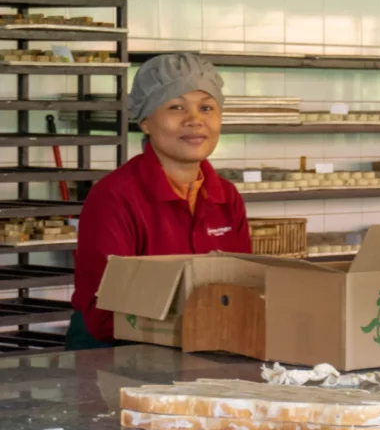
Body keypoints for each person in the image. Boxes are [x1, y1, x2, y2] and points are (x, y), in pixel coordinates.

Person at [67, 52, 251, 349]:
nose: (195, 120)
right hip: (116, 351)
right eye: (176, 107)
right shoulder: (115, 197)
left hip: (204, 342)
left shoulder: (226, 197)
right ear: (146, 122)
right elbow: (105, 312)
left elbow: (244, 286)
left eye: (207, 108)